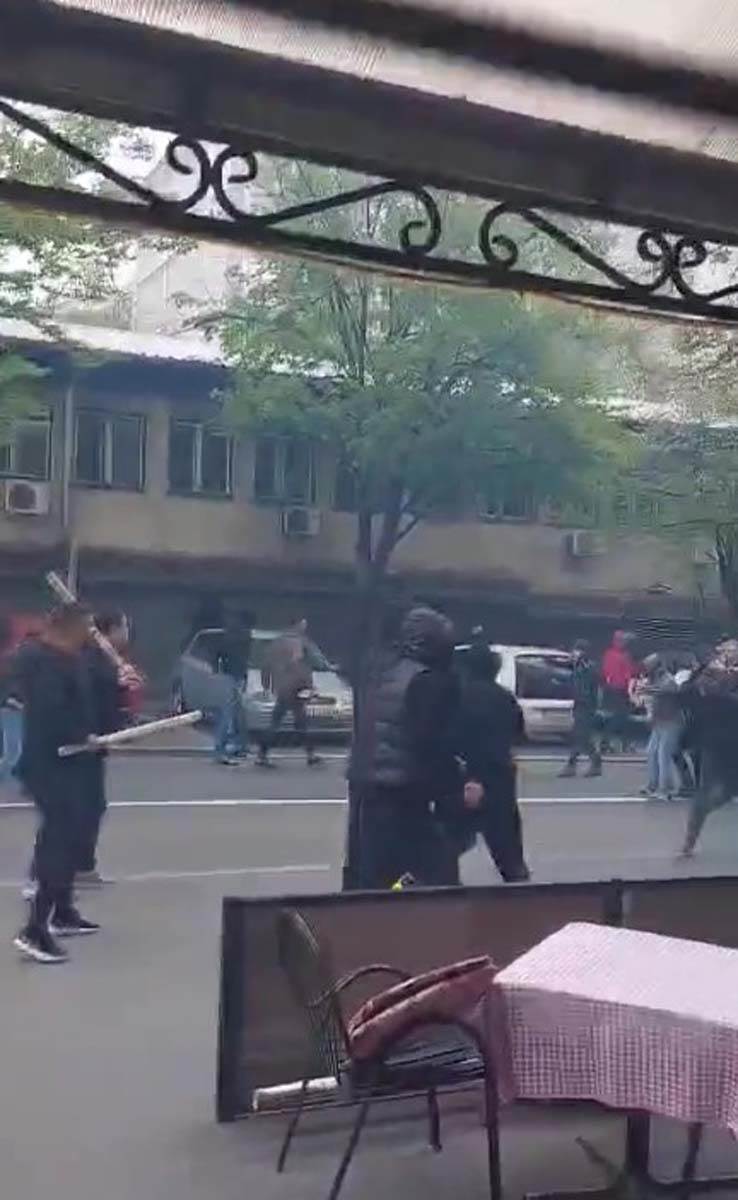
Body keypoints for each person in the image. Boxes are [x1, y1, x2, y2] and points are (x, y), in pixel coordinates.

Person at [349, 606, 462, 889]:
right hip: (406, 790)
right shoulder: (427, 680)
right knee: (436, 874)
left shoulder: (381, 672)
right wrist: (453, 786)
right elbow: (429, 743)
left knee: (375, 873)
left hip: (370, 784)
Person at [13, 603, 101, 964]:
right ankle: (35, 929)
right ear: (70, 627)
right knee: (59, 843)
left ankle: (62, 912)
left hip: (70, 761)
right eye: (87, 627)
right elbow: (51, 715)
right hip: (51, 764)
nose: (90, 635)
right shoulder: (43, 662)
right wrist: (82, 736)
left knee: (70, 834)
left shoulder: (69, 659)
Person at [75, 611, 141, 887]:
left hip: (97, 741)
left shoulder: (104, 659)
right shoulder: (91, 658)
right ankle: (70, 869)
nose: (127, 632)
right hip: (83, 743)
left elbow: (109, 697)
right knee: (82, 808)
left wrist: (122, 687)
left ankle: (82, 866)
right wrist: (86, 732)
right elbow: (86, 697)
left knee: (91, 806)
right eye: (124, 627)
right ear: (112, 629)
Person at [455, 644, 530, 881]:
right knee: (507, 846)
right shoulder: (505, 698)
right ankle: (520, 888)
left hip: (465, 774)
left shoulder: (460, 697)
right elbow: (519, 733)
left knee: (447, 845)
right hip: (500, 776)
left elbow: (452, 736)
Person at [680, 640, 738, 857]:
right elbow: (689, 692)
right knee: (706, 793)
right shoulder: (708, 676)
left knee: (725, 793)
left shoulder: (724, 678)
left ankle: (690, 839)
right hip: (715, 743)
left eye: (733, 651)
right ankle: (689, 841)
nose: (729, 654)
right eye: (727, 651)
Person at [256, 617, 322, 768]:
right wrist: (309, 685)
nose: (305, 627)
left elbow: (265, 666)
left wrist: (266, 685)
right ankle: (310, 755)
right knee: (297, 722)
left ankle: (263, 754)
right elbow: (299, 665)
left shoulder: (276, 643)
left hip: (282, 687)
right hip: (295, 687)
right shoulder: (298, 642)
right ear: (297, 625)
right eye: (303, 624)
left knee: (289, 721)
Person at [633, 654, 682, 801]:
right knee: (651, 752)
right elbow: (654, 698)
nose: (645, 670)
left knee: (663, 755)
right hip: (659, 722)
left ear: (655, 667)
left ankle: (665, 789)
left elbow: (666, 691)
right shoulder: (654, 679)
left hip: (671, 722)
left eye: (647, 667)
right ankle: (652, 785)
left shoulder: (667, 679)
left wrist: (646, 689)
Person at [212, 611, 252, 766]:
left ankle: (236, 747)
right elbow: (240, 660)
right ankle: (222, 750)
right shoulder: (241, 638)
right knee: (229, 714)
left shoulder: (229, 637)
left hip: (231, 676)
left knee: (235, 714)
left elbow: (218, 656)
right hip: (233, 677)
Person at [559, 639, 602, 779]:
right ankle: (581, 764)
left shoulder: (589, 668)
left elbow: (593, 689)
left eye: (578, 650)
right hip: (579, 704)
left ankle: (576, 764)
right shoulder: (578, 667)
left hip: (586, 706)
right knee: (580, 736)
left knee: (581, 736)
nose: (574, 653)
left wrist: (591, 705)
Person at [601, 630, 638, 753]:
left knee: (617, 717)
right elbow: (629, 674)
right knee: (621, 717)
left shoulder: (608, 654)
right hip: (620, 690)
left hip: (611, 689)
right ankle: (622, 744)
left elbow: (605, 671)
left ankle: (613, 743)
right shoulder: (624, 656)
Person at [0, 614, 23, 786]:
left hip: (14, 706)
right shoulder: (9, 658)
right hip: (10, 708)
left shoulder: (11, 656)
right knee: (13, 752)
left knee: (14, 751)